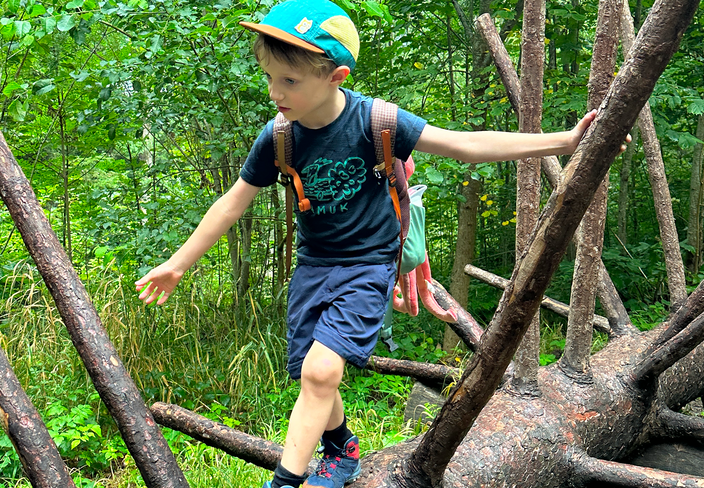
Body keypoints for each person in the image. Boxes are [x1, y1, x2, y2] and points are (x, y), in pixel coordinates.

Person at [135, 0, 611, 486]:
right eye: (270, 77)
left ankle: (285, 480)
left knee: (321, 374)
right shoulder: (278, 137)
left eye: (290, 81)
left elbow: (465, 145)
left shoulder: (376, 121)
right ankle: (341, 449)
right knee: (311, 375)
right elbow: (232, 203)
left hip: (368, 264)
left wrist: (563, 141)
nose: (275, 92)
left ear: (336, 76)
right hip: (313, 265)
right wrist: (177, 264)